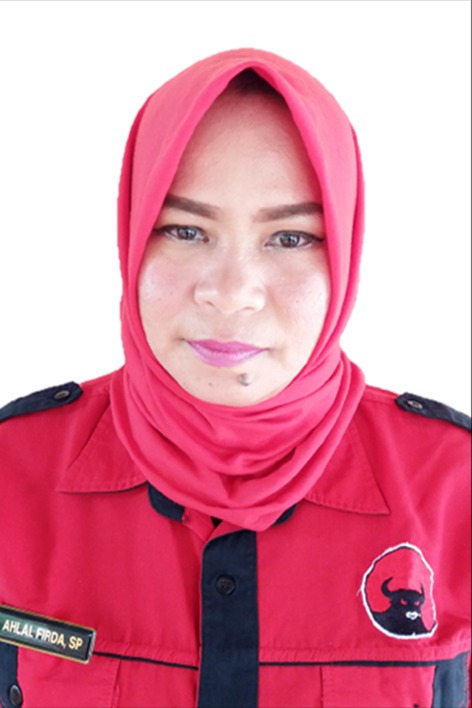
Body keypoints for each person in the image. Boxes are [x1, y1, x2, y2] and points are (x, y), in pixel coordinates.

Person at [0, 48, 469, 708]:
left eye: (290, 238)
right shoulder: (13, 473)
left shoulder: (453, 484)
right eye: (185, 230)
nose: (230, 293)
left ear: (345, 251)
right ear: (132, 236)